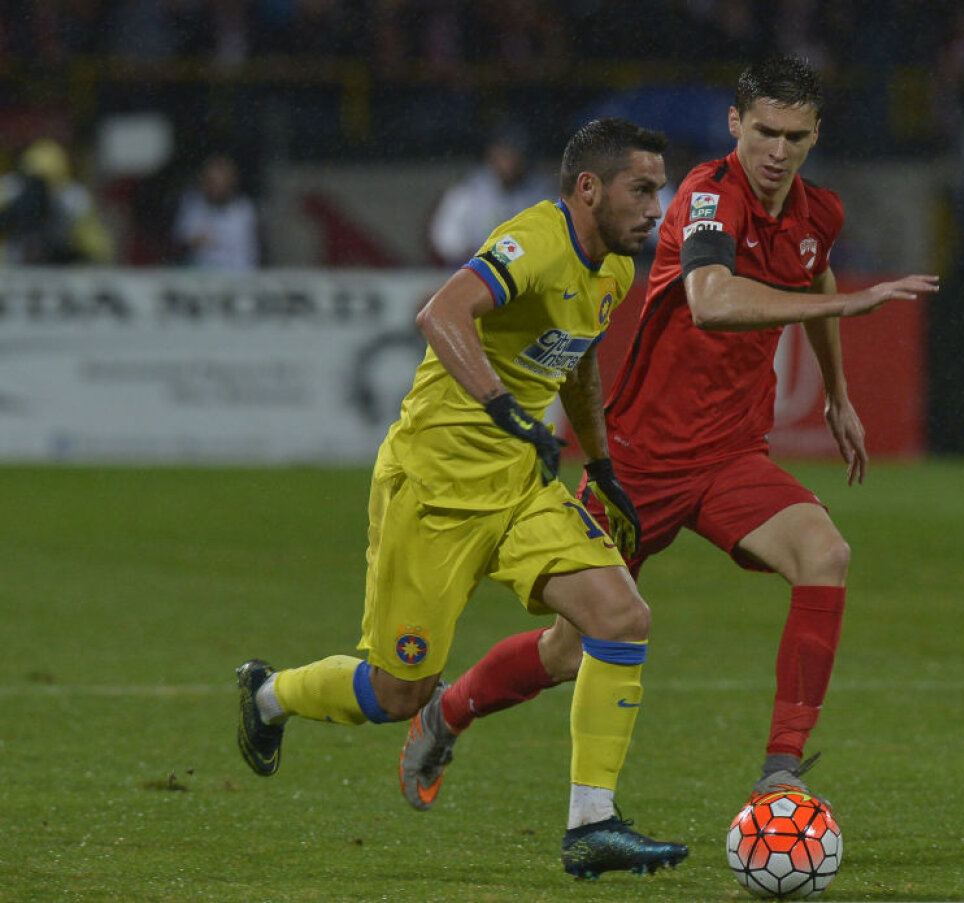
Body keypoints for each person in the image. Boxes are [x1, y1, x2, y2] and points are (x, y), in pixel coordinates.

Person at [400, 57, 939, 810]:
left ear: (816, 135)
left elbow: (812, 272)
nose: (777, 151)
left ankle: (780, 771)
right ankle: (447, 709)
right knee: (567, 647)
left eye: (795, 136)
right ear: (734, 125)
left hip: (731, 456)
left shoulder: (819, 214)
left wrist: (838, 395)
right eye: (764, 132)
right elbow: (713, 301)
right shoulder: (705, 196)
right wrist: (848, 308)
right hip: (641, 460)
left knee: (826, 553)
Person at [236, 117, 688, 879]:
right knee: (392, 689)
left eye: (660, 188)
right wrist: (503, 408)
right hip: (435, 490)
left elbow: (575, 364)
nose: (657, 205)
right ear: (588, 188)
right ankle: (270, 696)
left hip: (520, 485)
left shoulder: (612, 267)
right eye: (641, 188)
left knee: (620, 617)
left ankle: (591, 824)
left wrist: (602, 462)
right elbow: (441, 313)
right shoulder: (537, 241)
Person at [426, 125, 554, 265]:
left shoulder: (540, 192)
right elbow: (445, 239)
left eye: (515, 155)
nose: (509, 162)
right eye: (504, 154)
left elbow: (553, 239)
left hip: (526, 271)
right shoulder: (468, 191)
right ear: (491, 154)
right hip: (474, 270)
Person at [0, 138, 114, 265]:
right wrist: (10, 215)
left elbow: (96, 248)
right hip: (10, 264)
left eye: (45, 183)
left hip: (56, 267)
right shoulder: (10, 190)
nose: (38, 192)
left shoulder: (72, 198)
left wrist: (71, 253)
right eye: (34, 183)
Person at [173, 153, 261, 269]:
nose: (216, 186)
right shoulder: (193, 207)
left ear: (231, 181)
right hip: (201, 278)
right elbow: (182, 242)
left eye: (221, 181)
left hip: (240, 277)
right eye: (211, 181)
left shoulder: (245, 209)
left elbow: (254, 248)